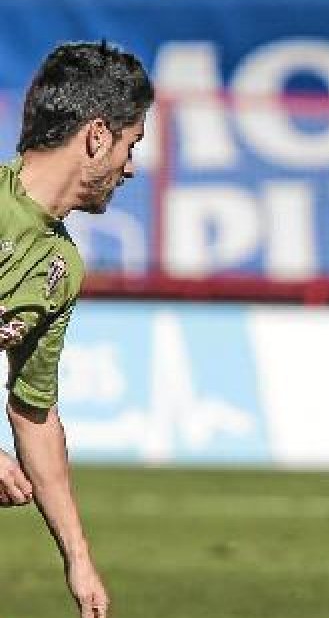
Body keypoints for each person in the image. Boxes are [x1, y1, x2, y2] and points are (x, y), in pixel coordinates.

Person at [0, 41, 154, 618]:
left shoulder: (59, 271)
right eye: (131, 143)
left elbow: (33, 410)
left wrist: (78, 557)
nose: (131, 167)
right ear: (97, 137)